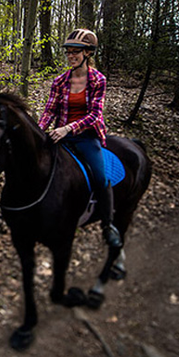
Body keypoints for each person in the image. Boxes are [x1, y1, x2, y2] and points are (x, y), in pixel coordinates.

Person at [38, 29, 122, 248]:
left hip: (86, 137)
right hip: (61, 135)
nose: (71, 56)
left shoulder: (98, 80)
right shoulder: (59, 81)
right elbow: (49, 110)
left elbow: (95, 114)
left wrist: (68, 128)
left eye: (76, 52)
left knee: (101, 178)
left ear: (88, 53)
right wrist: (39, 132)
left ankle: (108, 225)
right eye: (68, 52)